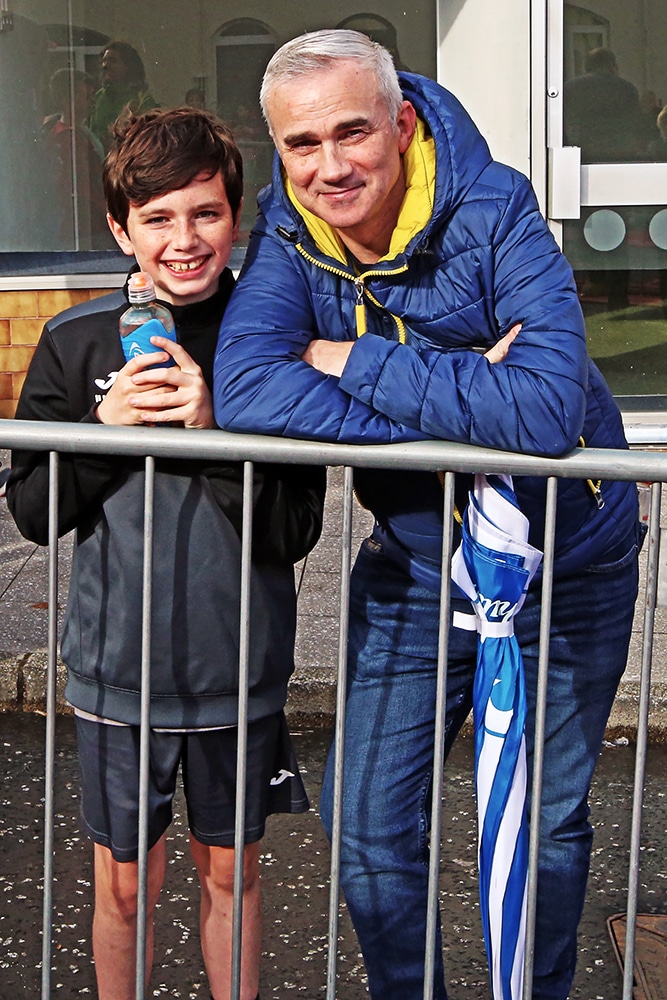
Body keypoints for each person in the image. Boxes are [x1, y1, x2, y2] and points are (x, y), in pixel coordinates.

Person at [212, 29, 643, 1000]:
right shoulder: (288, 229)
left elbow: (540, 408)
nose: (328, 166)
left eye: (351, 133)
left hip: (569, 565)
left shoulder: (493, 207)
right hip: (415, 561)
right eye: (300, 144)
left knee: (545, 823)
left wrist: (347, 359)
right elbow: (245, 391)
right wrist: (460, 388)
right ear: (276, 150)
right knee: (365, 830)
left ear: (401, 124)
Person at [7, 106, 325, 1000]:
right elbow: (33, 513)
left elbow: (297, 530)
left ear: (234, 219)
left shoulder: (269, 344)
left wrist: (211, 428)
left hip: (238, 672)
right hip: (118, 675)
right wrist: (102, 433)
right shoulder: (75, 342)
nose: (183, 240)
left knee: (233, 876)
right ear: (121, 227)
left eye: (205, 213)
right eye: (157, 218)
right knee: (123, 883)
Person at [42, 68, 112, 250]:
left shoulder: (83, 132)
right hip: (85, 222)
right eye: (85, 97)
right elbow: (83, 184)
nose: (91, 103)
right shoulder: (66, 138)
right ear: (67, 99)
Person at [563, 47, 643, 163]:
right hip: (620, 153)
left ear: (587, 66)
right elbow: (636, 123)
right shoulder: (627, 89)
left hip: (581, 153)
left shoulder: (569, 88)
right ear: (613, 65)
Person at [88, 40, 158, 151]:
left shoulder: (142, 98)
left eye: (113, 61)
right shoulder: (98, 97)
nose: (105, 65)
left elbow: (147, 137)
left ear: (127, 66)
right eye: (104, 60)